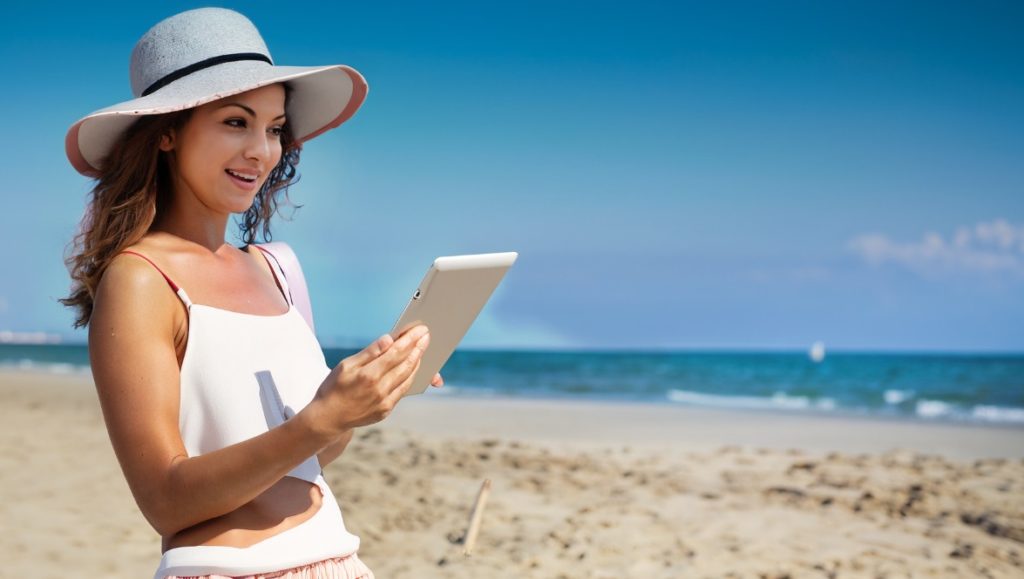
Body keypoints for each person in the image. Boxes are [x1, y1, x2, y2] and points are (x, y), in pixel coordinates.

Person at [61, 8, 442, 578]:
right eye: (236, 122)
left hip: (338, 561)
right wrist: (318, 419)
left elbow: (306, 459)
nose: (263, 151)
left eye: (273, 128)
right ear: (166, 131)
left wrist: (359, 405)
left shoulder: (279, 267)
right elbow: (164, 500)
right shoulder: (140, 278)